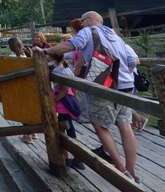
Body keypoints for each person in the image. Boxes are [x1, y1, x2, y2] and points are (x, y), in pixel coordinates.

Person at [36, 11, 140, 184]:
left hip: (105, 85)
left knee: (100, 126)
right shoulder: (114, 35)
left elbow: (71, 46)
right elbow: (132, 60)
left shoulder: (89, 31)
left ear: (91, 20)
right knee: (125, 126)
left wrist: (46, 50)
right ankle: (133, 172)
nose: (81, 24)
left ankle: (121, 170)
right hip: (126, 85)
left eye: (83, 21)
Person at [49, 51, 85, 170]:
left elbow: (63, 90)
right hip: (69, 99)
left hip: (62, 101)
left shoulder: (57, 71)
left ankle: (72, 157)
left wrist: (53, 101)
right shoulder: (68, 69)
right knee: (67, 128)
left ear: (52, 57)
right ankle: (72, 157)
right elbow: (72, 88)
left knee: (66, 129)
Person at [8, 37, 36, 143]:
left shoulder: (11, 57)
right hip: (31, 86)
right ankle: (33, 131)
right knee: (31, 109)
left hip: (20, 87)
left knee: (24, 111)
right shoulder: (28, 54)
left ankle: (27, 135)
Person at [69, 18, 89, 123]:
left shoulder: (81, 40)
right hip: (78, 68)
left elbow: (81, 60)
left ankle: (85, 116)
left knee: (81, 94)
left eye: (72, 28)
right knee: (80, 94)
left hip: (81, 70)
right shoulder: (79, 38)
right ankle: (82, 113)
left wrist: (76, 71)